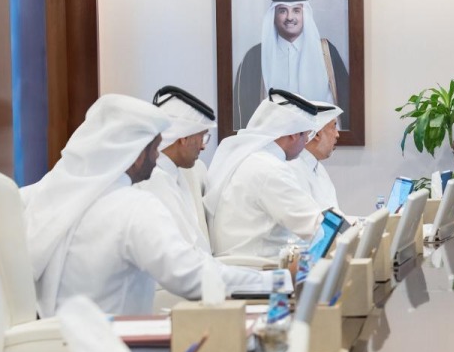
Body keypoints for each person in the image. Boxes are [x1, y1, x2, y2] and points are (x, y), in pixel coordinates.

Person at [20, 94, 264, 316]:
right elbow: (190, 277)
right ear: (136, 155)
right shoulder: (133, 207)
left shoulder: (49, 196)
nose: (158, 156)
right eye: (155, 148)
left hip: (53, 346)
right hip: (121, 351)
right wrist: (274, 283)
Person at [207, 89, 327, 259]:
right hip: (257, 272)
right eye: (306, 136)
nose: (305, 143)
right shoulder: (269, 169)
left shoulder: (248, 158)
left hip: (241, 265)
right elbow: (315, 229)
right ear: (293, 134)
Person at [233, 0, 349, 130]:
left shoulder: (326, 52)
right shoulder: (255, 56)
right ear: (274, 16)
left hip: (319, 140)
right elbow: (243, 111)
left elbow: (345, 103)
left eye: (296, 10)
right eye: (282, 11)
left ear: (304, 14)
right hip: (271, 143)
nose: (289, 17)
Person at [141, 85, 215, 251]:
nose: (203, 147)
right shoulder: (155, 180)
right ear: (184, 139)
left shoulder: (178, 173)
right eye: (201, 137)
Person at [289, 101, 342, 212]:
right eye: (334, 127)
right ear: (317, 133)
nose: (337, 134)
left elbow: (334, 213)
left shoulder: (318, 168)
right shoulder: (293, 169)